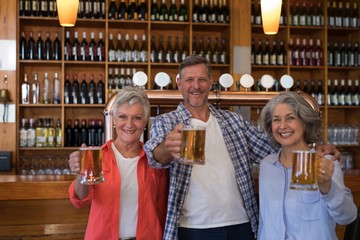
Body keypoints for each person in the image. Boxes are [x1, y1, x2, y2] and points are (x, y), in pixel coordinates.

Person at [144, 55, 341, 240]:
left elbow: (274, 146)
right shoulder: (166, 122)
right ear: (179, 83)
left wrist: (316, 148)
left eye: (202, 79)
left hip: (241, 224)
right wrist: (166, 148)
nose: (196, 86)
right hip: (193, 226)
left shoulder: (233, 121)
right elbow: (153, 157)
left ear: (211, 82)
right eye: (189, 80)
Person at [68, 86, 169, 240]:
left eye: (137, 117)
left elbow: (162, 208)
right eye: (122, 117)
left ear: (145, 121)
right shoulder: (98, 156)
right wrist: (81, 174)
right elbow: (79, 200)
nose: (129, 124)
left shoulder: (154, 160)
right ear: (114, 119)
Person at [257, 91, 357, 239]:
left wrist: (328, 188)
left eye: (290, 118)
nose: (282, 126)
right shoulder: (267, 165)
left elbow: (347, 216)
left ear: (304, 122)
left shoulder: (325, 162)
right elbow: (265, 222)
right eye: (276, 120)